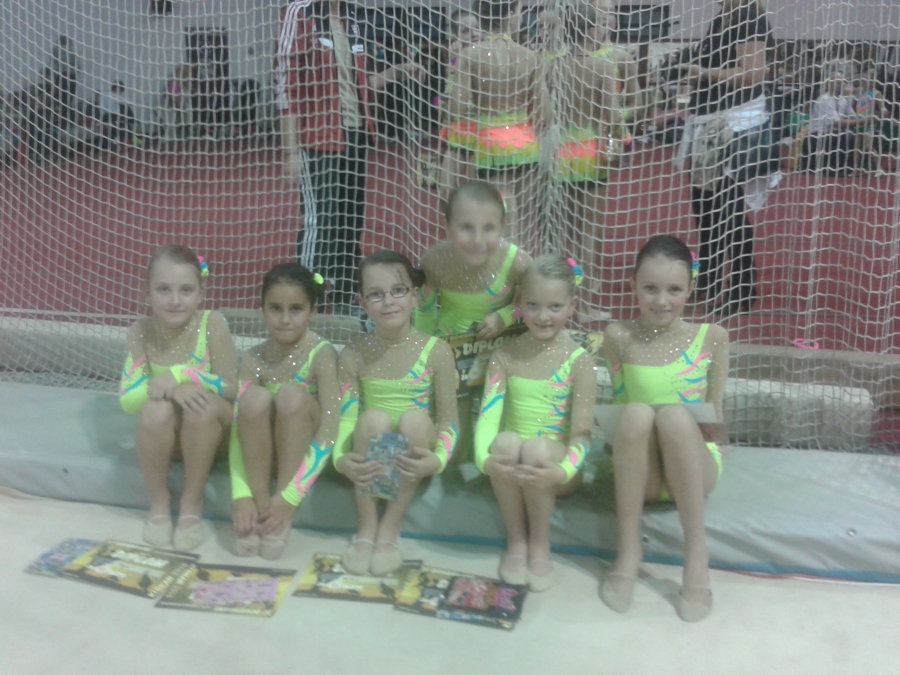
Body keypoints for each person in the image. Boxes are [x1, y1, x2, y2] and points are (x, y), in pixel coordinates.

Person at [600, 235, 729, 622]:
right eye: (651, 288)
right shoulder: (617, 336)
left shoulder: (712, 338)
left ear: (690, 288)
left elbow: (716, 418)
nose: (661, 301)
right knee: (636, 414)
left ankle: (697, 556)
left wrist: (707, 436)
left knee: (674, 416)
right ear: (633, 286)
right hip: (644, 472)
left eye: (674, 290)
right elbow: (621, 405)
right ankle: (628, 550)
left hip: (694, 468)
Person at [276, 0, 426, 315]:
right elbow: (287, 88)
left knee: (350, 223)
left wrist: (398, 72)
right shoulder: (300, 13)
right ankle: (306, 298)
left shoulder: (352, 19)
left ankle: (345, 298)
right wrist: (291, 151)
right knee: (320, 223)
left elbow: (360, 85)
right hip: (318, 139)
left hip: (355, 138)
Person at [474, 255, 597, 591]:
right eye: (533, 305)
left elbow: (583, 433)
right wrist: (483, 460)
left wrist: (565, 470)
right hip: (513, 465)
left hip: (556, 468)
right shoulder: (504, 356)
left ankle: (540, 543)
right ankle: (517, 541)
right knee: (504, 442)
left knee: (537, 449)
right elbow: (488, 419)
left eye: (555, 307)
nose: (543, 317)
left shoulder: (580, 362)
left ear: (572, 306)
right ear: (520, 304)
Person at [333, 250, 459, 576]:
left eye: (398, 291)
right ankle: (367, 524)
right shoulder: (353, 353)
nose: (388, 301)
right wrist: (339, 458)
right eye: (376, 294)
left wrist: (438, 459)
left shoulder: (437, 351)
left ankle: (390, 524)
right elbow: (346, 418)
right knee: (372, 419)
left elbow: (449, 421)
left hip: (414, 447)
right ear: (362, 303)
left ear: (414, 296)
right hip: (371, 443)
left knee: (413, 420)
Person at [119, 246, 238, 550]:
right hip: (169, 440)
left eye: (186, 290)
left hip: (212, 435)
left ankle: (191, 501)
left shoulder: (212, 324)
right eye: (163, 290)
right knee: (154, 410)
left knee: (200, 405)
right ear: (147, 292)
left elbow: (232, 387)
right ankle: (159, 503)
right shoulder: (140, 331)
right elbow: (127, 398)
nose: (175, 301)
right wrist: (173, 389)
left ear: (200, 293)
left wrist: (183, 375)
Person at [229, 263, 340, 559]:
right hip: (264, 454)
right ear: (262, 308)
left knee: (291, 396)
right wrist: (242, 495)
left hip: (303, 455)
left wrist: (291, 496)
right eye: (275, 308)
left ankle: (282, 509)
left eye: (296, 309)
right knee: (252, 398)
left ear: (313, 311)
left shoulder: (322, 354)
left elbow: (330, 429)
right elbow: (237, 426)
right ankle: (262, 506)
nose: (285, 319)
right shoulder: (253, 358)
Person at [676, 0, 779, 317]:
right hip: (711, 126)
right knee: (705, 207)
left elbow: (753, 74)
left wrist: (704, 73)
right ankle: (708, 280)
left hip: (733, 127)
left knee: (729, 212)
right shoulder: (725, 16)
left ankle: (742, 290)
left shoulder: (749, 17)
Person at [415, 180, 531, 459]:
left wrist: (505, 316)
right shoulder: (434, 262)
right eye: (466, 228)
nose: (478, 240)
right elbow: (424, 310)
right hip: (453, 358)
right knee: (455, 444)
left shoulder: (517, 263)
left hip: (501, 357)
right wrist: (423, 350)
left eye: (489, 228)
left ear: (502, 227)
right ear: (447, 227)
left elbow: (533, 304)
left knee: (502, 438)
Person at [447, 0, 544, 245]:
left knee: (497, 217)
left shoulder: (470, 55)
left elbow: (456, 109)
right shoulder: (530, 57)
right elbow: (545, 113)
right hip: (525, 143)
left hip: (490, 144)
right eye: (520, 11)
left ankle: (497, 267)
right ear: (510, 14)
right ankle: (520, 265)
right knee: (523, 218)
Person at [556, 3, 622, 326]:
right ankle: (585, 304)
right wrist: (621, 139)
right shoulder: (602, 66)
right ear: (592, 29)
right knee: (587, 235)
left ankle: (557, 299)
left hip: (560, 154)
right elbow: (613, 114)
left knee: (561, 233)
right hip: (591, 154)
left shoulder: (554, 66)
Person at [438, 9, 481, 202]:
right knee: (445, 192)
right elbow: (445, 101)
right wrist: (453, 67)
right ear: (455, 38)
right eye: (465, 31)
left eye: (476, 28)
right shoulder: (453, 63)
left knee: (477, 196)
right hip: (459, 134)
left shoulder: (487, 58)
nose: (474, 34)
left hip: (483, 136)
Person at [803, 68, 862, 175]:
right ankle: (837, 168)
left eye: (842, 82)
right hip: (817, 137)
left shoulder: (843, 100)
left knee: (856, 134)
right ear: (829, 84)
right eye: (837, 82)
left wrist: (868, 118)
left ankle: (853, 167)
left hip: (832, 135)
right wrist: (864, 121)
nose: (841, 85)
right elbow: (837, 124)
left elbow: (854, 117)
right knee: (843, 135)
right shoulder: (824, 99)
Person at [49, 36, 80, 123]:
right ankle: (64, 114)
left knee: (62, 98)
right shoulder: (69, 52)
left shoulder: (58, 51)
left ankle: (62, 114)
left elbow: (52, 64)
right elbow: (77, 66)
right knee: (66, 98)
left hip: (63, 76)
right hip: (68, 76)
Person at [98, 81, 136, 147]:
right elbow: (130, 102)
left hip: (104, 117)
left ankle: (115, 142)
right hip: (114, 117)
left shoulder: (103, 96)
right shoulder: (115, 96)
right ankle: (124, 141)